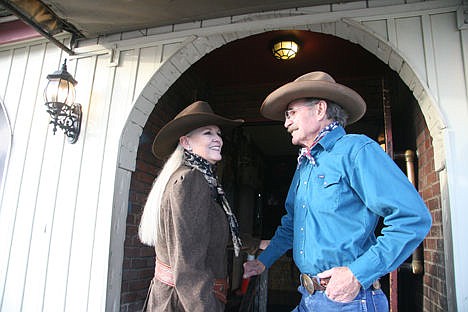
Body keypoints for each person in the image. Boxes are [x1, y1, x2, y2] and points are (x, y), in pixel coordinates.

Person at [242, 71, 432, 311]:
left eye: (291, 113)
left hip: (349, 301)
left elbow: (413, 218)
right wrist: (263, 262)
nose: (286, 123)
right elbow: (292, 224)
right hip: (309, 298)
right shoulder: (305, 165)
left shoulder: (356, 150)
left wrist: (356, 274)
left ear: (320, 109)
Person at [139, 100, 249, 311]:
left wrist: (254, 243)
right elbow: (189, 265)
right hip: (187, 302)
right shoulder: (191, 180)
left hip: (178, 299)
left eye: (218, 134)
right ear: (186, 142)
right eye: (208, 133)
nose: (218, 139)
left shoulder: (194, 178)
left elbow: (203, 234)